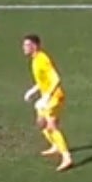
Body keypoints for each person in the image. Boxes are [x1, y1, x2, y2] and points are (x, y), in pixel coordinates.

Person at [22, 34, 73, 171]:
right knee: (41, 123)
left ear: (35, 46)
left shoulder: (42, 59)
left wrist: (47, 97)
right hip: (48, 97)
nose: (24, 48)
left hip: (55, 97)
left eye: (27, 45)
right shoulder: (34, 60)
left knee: (51, 126)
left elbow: (56, 79)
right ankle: (55, 145)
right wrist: (32, 91)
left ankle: (67, 157)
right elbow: (43, 81)